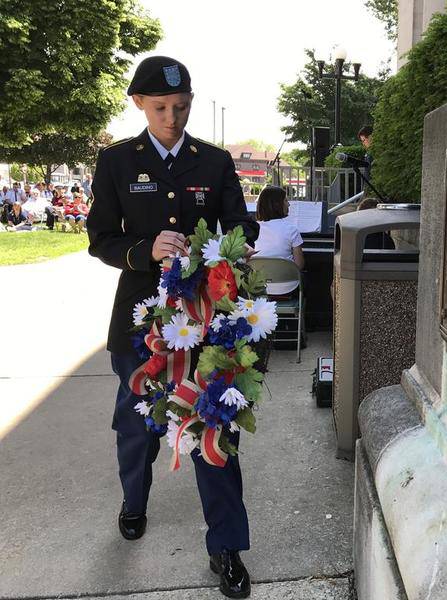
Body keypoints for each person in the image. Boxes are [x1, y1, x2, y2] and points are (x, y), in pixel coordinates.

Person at [86, 56, 258, 599]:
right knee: (137, 428)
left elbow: (240, 218)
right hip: (141, 323)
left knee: (215, 427)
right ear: (139, 104)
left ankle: (225, 547)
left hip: (206, 323)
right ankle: (134, 500)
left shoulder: (213, 162)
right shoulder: (115, 162)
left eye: (181, 108)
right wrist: (143, 251)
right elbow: (99, 238)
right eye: (160, 108)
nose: (172, 118)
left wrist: (235, 243)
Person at [253, 186, 304, 296]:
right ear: (276, 205)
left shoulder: (252, 229)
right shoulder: (292, 230)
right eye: (285, 200)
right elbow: (299, 265)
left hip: (257, 287)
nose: (288, 204)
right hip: (288, 287)